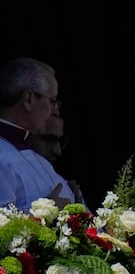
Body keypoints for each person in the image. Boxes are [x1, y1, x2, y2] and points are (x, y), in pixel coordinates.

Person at [0, 57, 83, 212]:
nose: (55, 110)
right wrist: (45, 214)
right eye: (52, 101)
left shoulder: (38, 158)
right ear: (28, 99)